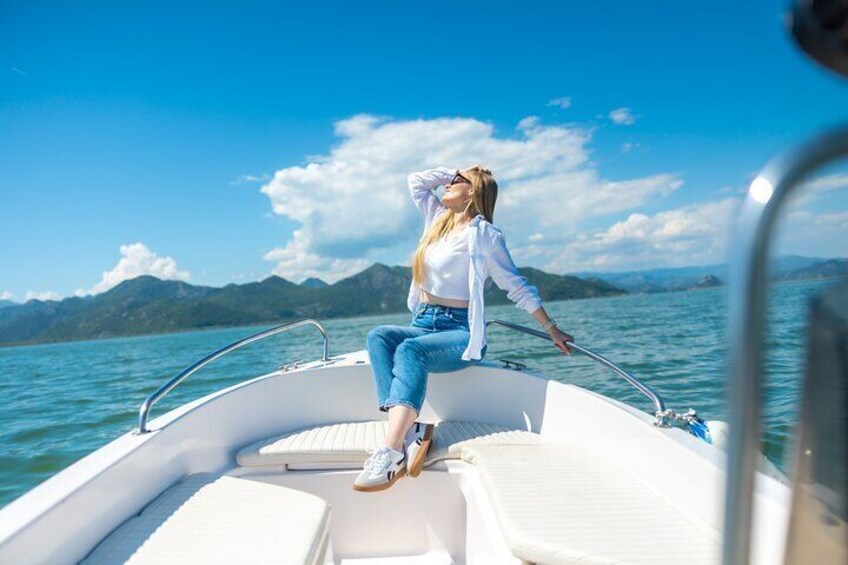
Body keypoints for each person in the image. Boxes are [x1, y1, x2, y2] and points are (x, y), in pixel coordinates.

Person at [353, 165, 574, 492]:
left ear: (473, 191)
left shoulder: (486, 236)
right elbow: (416, 181)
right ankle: (409, 432)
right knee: (380, 337)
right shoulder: (437, 220)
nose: (448, 185)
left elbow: (516, 286)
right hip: (423, 322)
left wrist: (551, 327)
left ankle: (390, 451)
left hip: (459, 332)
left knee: (410, 350)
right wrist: (456, 171)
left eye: (457, 182)